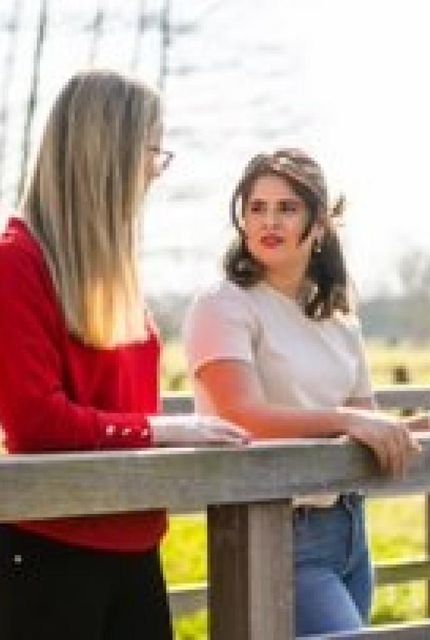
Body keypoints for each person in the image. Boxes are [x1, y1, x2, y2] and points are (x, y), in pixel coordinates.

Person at [183, 148, 430, 636]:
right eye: (256, 207)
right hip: (275, 529)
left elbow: (365, 425)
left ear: (318, 224)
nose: (269, 220)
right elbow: (240, 418)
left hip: (348, 529)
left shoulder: (337, 320)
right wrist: (345, 420)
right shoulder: (222, 306)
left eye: (287, 208)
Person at [0, 69, 248, 640]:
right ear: (108, 153)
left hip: (135, 542)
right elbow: (37, 421)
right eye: (152, 152)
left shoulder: (113, 276)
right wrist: (159, 432)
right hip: (52, 553)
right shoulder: (17, 262)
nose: (155, 173)